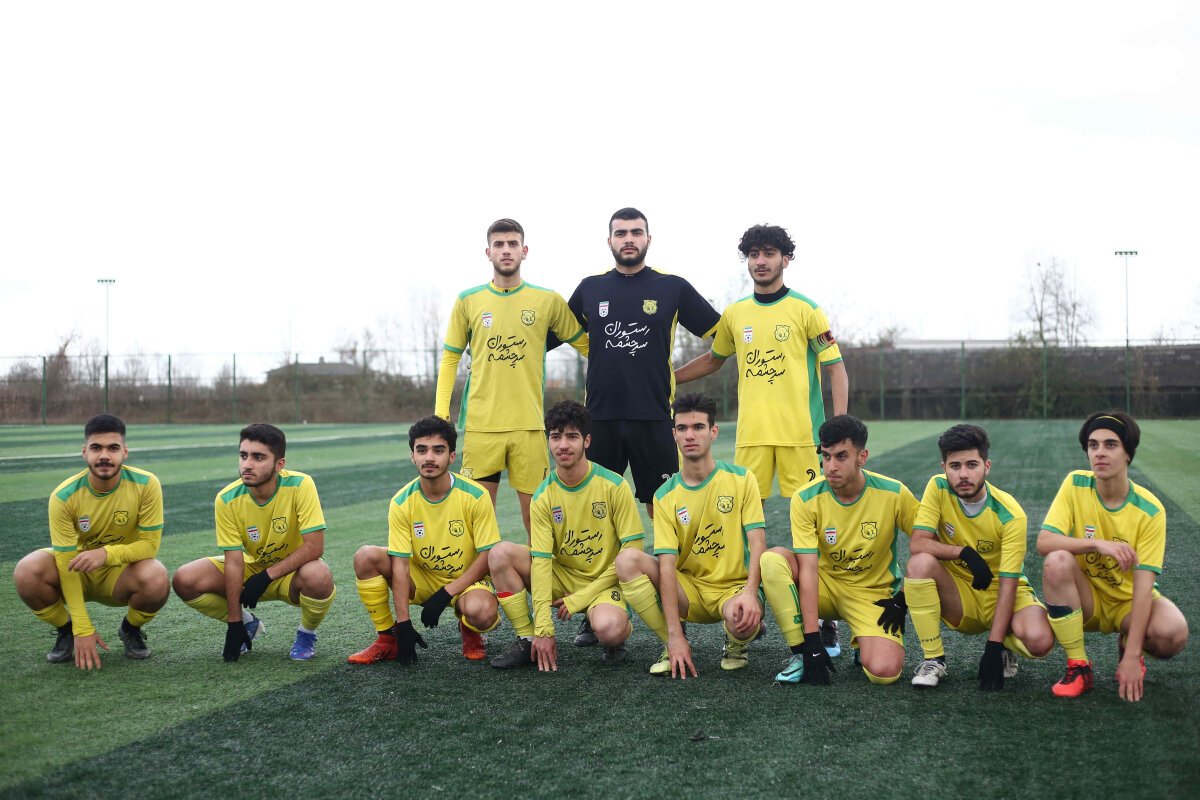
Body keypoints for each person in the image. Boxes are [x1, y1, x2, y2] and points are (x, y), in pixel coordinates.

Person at [675, 222, 849, 656]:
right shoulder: (735, 314)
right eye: (754, 254)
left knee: (814, 524)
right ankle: (743, 606)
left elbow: (835, 368)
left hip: (801, 438)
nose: (761, 261)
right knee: (737, 526)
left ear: (785, 259)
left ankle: (823, 618)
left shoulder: (807, 310)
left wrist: (839, 426)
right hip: (752, 438)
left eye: (769, 253)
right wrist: (667, 380)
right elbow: (714, 359)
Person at [561, 207, 721, 516]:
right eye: (621, 233)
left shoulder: (673, 287)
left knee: (662, 506)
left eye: (636, 232)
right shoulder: (590, 288)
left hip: (654, 415)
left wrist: (674, 376)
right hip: (600, 417)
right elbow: (549, 336)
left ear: (649, 238)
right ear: (609, 241)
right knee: (595, 508)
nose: (629, 239)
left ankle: (669, 552)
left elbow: (724, 339)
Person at [435, 218, 588, 538]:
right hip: (482, 426)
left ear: (524, 250)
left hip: (528, 426)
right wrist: (440, 412)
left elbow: (587, 346)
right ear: (488, 252)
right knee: (477, 520)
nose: (506, 250)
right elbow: (450, 358)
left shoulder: (547, 300)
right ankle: (483, 573)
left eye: (513, 244)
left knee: (537, 519)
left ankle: (544, 573)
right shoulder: (468, 300)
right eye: (499, 244)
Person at [1037, 411, 1188, 700]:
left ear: (1128, 453)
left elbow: (1143, 588)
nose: (1100, 453)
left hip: (1127, 603)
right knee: (1056, 561)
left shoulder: (1150, 510)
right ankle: (1079, 667)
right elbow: (1044, 542)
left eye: (1110, 444)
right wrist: (1097, 544)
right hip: (1086, 599)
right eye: (1093, 445)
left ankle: (1127, 644)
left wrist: (1132, 655)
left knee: (1173, 632)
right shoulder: (1075, 484)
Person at [614, 393, 766, 677]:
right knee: (627, 560)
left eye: (698, 427)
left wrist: (750, 593)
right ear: (674, 435)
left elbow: (758, 544)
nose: (690, 435)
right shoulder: (664, 495)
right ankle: (671, 642)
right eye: (682, 428)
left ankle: (737, 640)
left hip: (733, 588)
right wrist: (674, 635)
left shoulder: (742, 479)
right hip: (689, 590)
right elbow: (667, 566)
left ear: (713, 432)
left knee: (741, 620)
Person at [761, 415, 917, 686]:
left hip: (872, 593)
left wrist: (903, 597)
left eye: (841, 456)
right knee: (772, 560)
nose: (830, 466)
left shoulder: (894, 494)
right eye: (826, 456)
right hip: (824, 586)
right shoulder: (806, 498)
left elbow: (927, 542)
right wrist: (812, 641)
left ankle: (862, 641)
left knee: (885, 672)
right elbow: (808, 570)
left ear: (862, 457)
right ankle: (800, 653)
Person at [487, 400, 643, 670]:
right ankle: (527, 638)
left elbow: (633, 552)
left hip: (605, 582)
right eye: (556, 437)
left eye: (572, 436)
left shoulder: (614, 486)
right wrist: (544, 629)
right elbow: (541, 560)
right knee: (501, 554)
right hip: (563, 578)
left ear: (587, 441)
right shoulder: (543, 495)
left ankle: (613, 632)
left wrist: (583, 597)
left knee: (609, 630)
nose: (563, 445)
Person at [13, 414, 169, 670]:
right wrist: (81, 627)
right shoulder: (64, 496)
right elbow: (65, 563)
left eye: (113, 448)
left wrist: (105, 554)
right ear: (85, 451)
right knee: (27, 571)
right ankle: (66, 630)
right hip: (77, 570)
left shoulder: (146, 484)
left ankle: (130, 629)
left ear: (125, 452)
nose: (104, 455)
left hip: (119, 574)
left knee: (157, 577)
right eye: (96, 448)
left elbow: (149, 546)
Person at [905, 424, 1054, 689]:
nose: (963, 474)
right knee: (919, 564)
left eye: (972, 465)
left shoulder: (1011, 515)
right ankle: (933, 659)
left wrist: (993, 646)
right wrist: (963, 552)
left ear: (987, 466)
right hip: (961, 593)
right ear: (944, 468)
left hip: (1004, 592)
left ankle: (1006, 644)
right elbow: (918, 543)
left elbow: (1009, 582)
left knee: (1040, 641)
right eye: (955, 466)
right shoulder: (938, 487)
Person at [173, 423, 336, 662]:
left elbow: (314, 547)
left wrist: (267, 576)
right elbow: (233, 562)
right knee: (185, 579)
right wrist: (234, 623)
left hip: (292, 573)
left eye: (258, 457)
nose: (247, 464)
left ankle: (306, 634)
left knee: (319, 575)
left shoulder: (301, 485)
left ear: (279, 464)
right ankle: (248, 624)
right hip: (250, 569)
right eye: (243, 455)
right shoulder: (226, 499)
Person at [346, 416, 501, 665]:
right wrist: (404, 624)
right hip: (422, 580)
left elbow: (487, 556)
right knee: (366, 556)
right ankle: (387, 639)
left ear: (452, 456)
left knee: (481, 613)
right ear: (412, 456)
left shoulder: (476, 496)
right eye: (422, 450)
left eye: (438, 450)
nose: (429, 457)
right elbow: (400, 564)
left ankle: (469, 628)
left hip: (468, 582)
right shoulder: (401, 502)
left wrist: (446, 593)